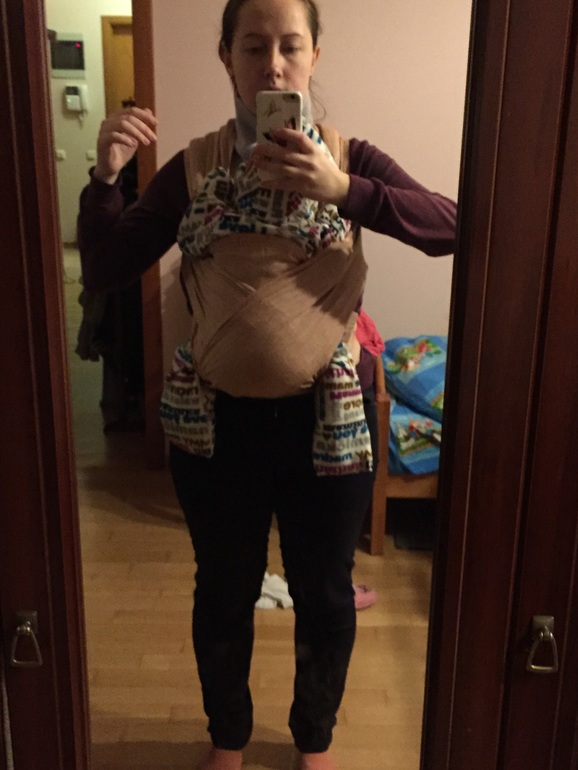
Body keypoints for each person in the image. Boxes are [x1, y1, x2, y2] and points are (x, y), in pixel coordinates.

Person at [78, 1, 456, 768]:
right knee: (224, 589)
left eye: (290, 46)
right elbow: (110, 266)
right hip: (217, 425)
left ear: (315, 55)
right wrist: (106, 177)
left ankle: (313, 740)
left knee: (325, 592)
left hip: (330, 421)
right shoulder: (194, 167)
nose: (273, 64)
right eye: (254, 47)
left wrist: (343, 188)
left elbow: (452, 225)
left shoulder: (350, 158)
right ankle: (229, 740)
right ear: (227, 57)